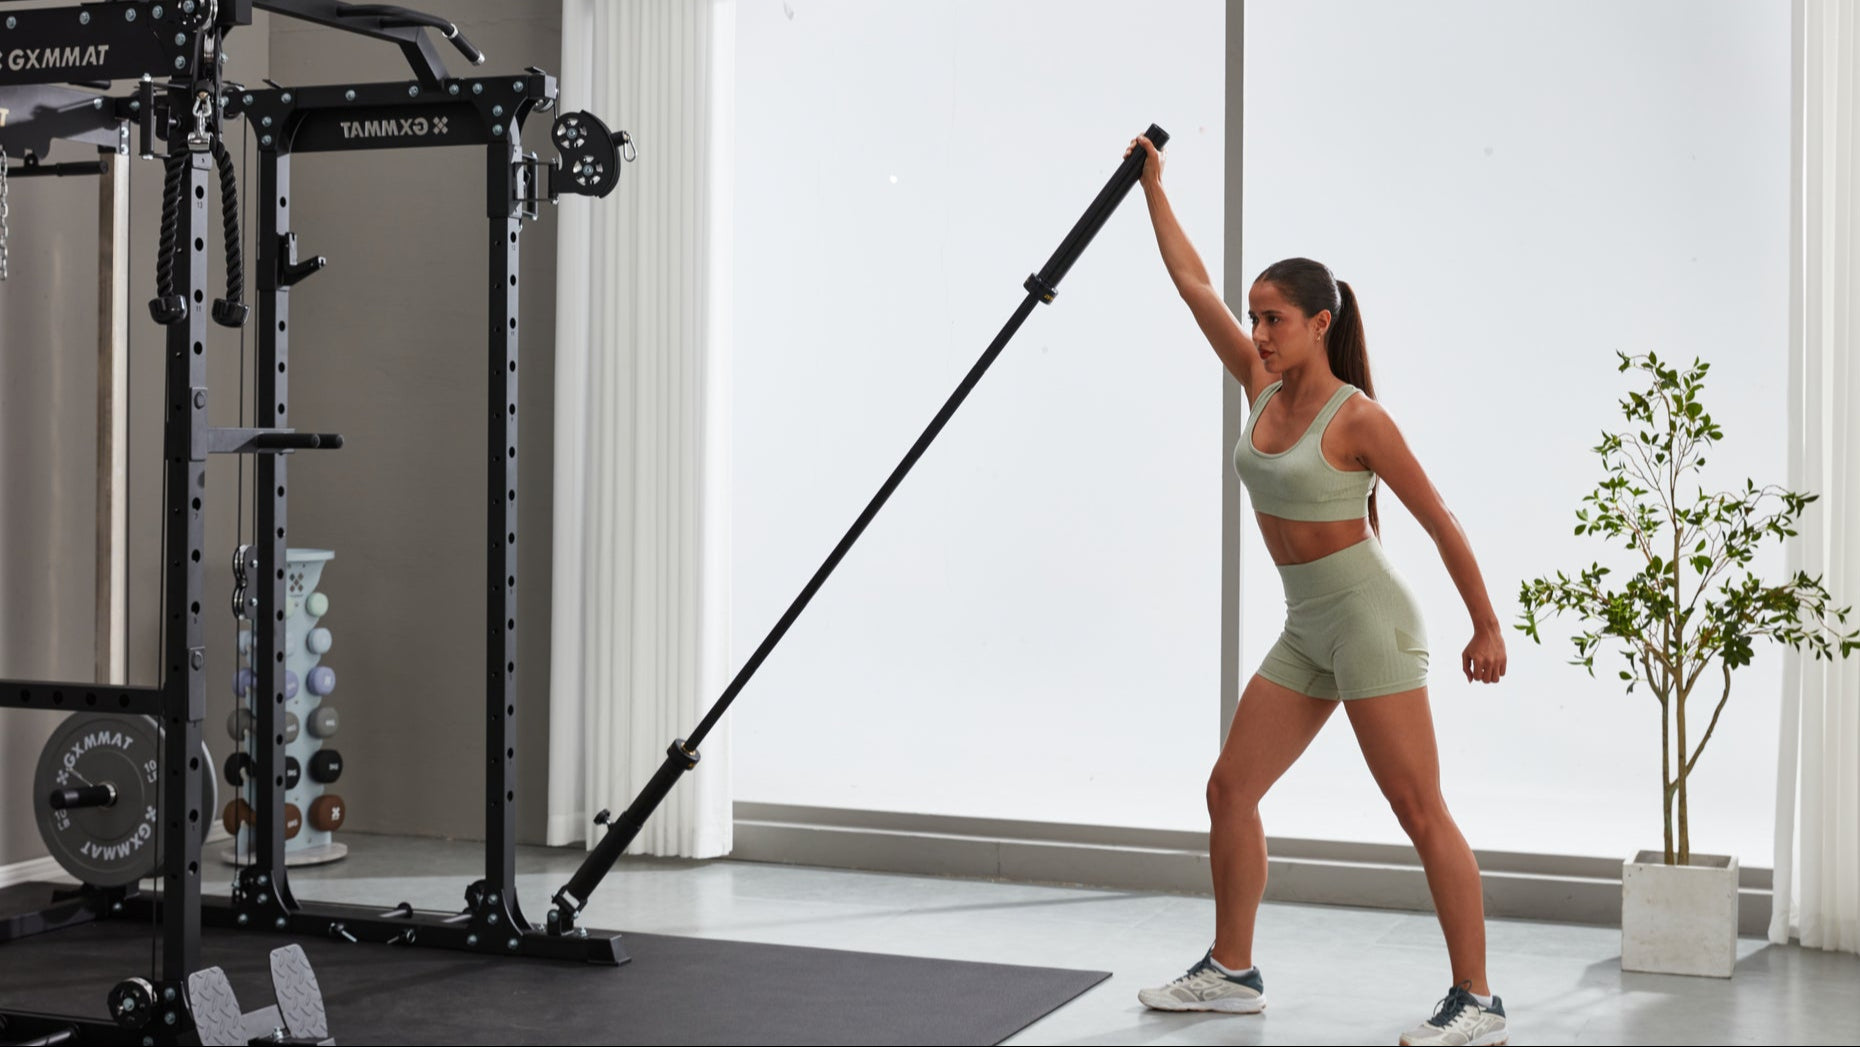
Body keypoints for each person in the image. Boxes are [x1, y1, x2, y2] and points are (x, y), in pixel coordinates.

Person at [1124, 135, 1510, 1047]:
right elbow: (1190, 285)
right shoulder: (1259, 389)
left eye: (1275, 319)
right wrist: (1152, 190)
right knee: (1229, 788)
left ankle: (1479, 1000)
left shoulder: (1359, 418)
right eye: (1254, 316)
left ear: (1320, 322)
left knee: (1419, 811)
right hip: (1307, 626)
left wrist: (1486, 623)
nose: (1257, 332)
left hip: (1372, 623)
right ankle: (1232, 970)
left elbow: (1439, 518)